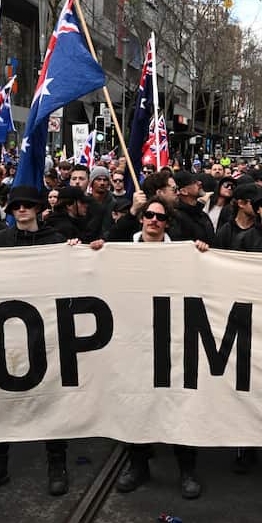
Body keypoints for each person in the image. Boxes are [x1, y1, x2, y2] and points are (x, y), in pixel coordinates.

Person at [0, 186, 71, 497]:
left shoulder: (55, 240)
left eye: (27, 205)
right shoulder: (1, 240)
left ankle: (57, 463)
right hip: (6, 331)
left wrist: (81, 250)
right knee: (1, 399)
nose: (21, 210)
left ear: (38, 208)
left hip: (46, 330)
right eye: (16, 205)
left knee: (50, 396)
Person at [91, 198, 208, 499]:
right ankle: (137, 465)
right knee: (134, 404)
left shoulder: (182, 252)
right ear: (141, 218)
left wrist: (202, 256)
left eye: (160, 217)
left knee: (178, 403)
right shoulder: (120, 249)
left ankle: (187, 469)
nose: (154, 220)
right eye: (149, 215)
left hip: (173, 340)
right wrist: (88, 252)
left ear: (167, 223)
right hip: (132, 340)